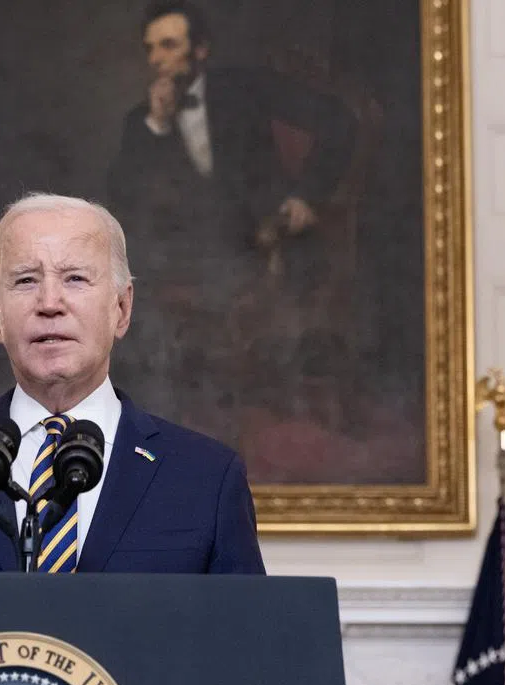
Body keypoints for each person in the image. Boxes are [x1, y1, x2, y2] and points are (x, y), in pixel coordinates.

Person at [0, 193, 265, 574]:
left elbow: (246, 647)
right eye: (26, 280)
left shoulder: (205, 478)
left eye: (75, 279)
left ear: (121, 308)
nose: (49, 304)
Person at [106, 0, 355, 444]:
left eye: (169, 45)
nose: (157, 59)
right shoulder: (140, 122)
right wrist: (158, 125)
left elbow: (339, 121)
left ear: (199, 51)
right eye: (151, 49)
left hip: (269, 238)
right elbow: (123, 203)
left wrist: (306, 196)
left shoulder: (247, 89)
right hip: (192, 254)